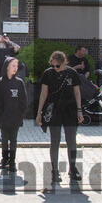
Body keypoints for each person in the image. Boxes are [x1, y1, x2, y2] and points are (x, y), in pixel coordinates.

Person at [34, 51, 85, 184]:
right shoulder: (48, 73)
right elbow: (44, 93)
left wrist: (79, 111)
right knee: (55, 141)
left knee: (71, 141)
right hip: (54, 110)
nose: (55, 68)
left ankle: (73, 168)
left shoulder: (72, 73)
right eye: (53, 66)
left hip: (70, 110)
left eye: (57, 66)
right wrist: (39, 112)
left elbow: (77, 92)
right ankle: (54, 170)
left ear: (64, 63)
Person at [0, 56, 28, 173]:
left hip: (15, 117)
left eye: (17, 66)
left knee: (13, 139)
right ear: (7, 67)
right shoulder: (0, 83)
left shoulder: (19, 83)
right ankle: (4, 159)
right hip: (3, 118)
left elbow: (24, 101)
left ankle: (12, 161)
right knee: (4, 139)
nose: (15, 68)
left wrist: (20, 115)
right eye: (13, 65)